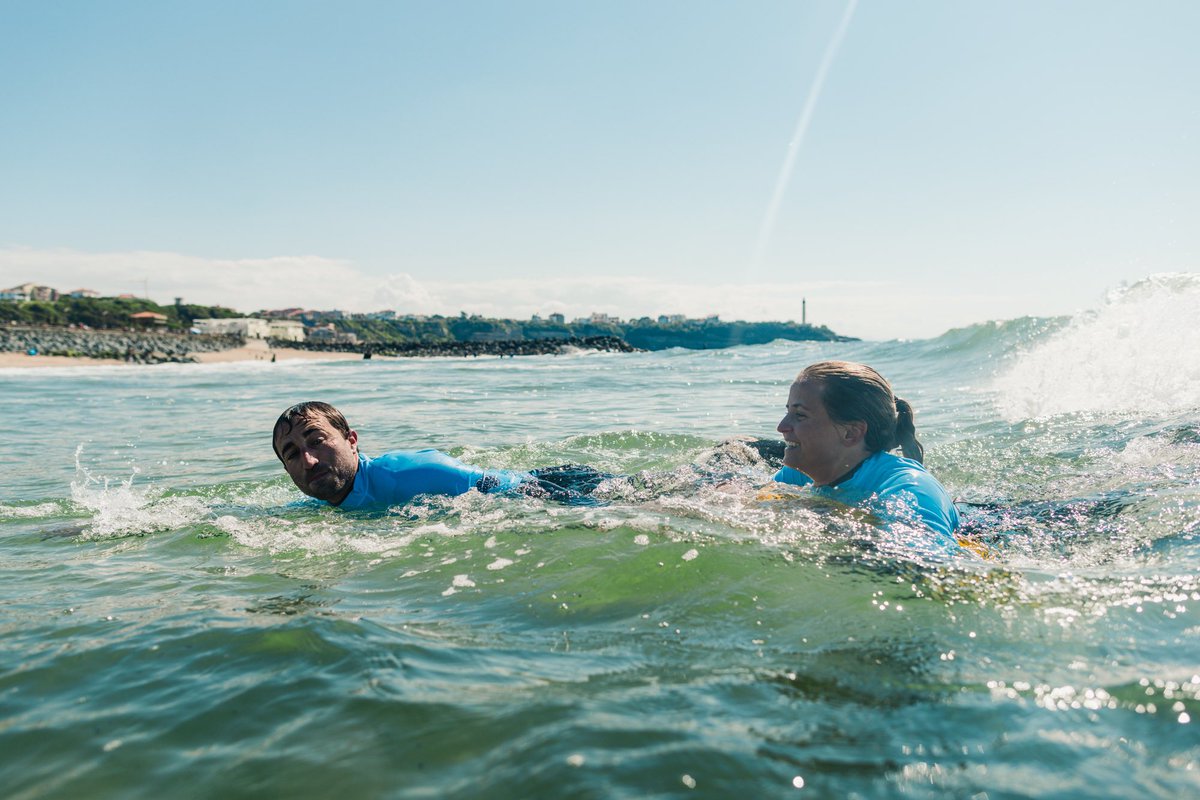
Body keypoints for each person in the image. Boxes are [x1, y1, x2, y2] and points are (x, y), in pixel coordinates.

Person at [272, 401, 607, 511]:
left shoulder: (414, 474)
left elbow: (530, 493)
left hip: (563, 483)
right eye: (292, 454)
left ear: (352, 441)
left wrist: (602, 511)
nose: (309, 460)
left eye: (317, 441)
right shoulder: (320, 503)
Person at [768, 361, 961, 550]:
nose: (781, 427)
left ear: (851, 432)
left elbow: (930, 562)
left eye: (800, 415)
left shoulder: (911, 488)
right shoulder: (803, 472)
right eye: (788, 412)